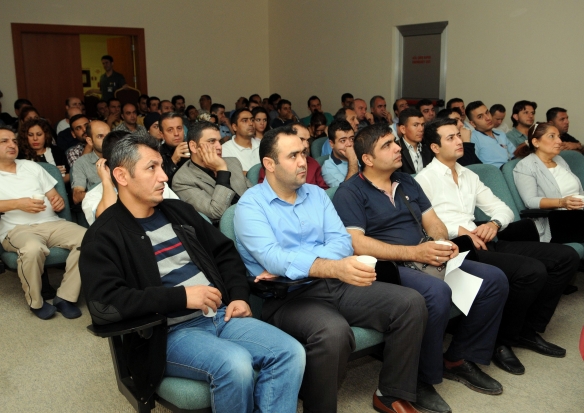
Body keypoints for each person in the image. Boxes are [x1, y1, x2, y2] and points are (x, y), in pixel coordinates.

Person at [79, 133, 305, 413]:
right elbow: (104, 305)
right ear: (122, 176)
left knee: (290, 352)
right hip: (168, 333)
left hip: (220, 314)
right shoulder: (103, 235)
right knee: (235, 365)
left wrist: (238, 296)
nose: (164, 177)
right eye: (152, 168)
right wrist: (180, 297)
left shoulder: (178, 211)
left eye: (162, 166)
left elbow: (225, 253)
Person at [235, 124, 426, 413]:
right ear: (269, 164)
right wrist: (318, 264)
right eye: (292, 156)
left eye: (303, 153)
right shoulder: (250, 206)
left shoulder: (316, 194)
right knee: (333, 332)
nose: (303, 162)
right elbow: (273, 259)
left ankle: (390, 394)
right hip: (287, 296)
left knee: (410, 303)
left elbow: (342, 243)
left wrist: (299, 262)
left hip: (334, 282)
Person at [333, 122, 509, 413]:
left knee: (494, 280)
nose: (397, 148)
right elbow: (357, 244)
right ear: (367, 159)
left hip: (424, 258)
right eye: (387, 145)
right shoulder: (350, 192)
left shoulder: (407, 181)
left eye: (395, 142)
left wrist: (442, 244)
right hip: (388, 267)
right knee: (436, 292)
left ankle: (459, 357)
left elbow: (433, 222)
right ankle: (420, 378)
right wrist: (415, 252)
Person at [416, 117, 580, 375]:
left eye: (458, 135)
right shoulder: (424, 179)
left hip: (483, 239)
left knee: (566, 256)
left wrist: (494, 223)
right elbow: (422, 222)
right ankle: (502, 340)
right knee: (531, 271)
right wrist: (457, 230)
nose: (459, 141)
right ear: (435, 147)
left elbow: (502, 209)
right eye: (451, 138)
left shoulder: (468, 174)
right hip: (456, 247)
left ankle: (526, 328)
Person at [0, 126, 86, 320]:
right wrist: (17, 204)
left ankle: (65, 297)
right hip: (16, 230)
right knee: (32, 248)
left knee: (89, 239)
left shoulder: (31, 167)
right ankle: (36, 302)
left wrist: (57, 201)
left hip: (52, 223)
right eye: (4, 141)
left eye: (14, 141)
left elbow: (54, 196)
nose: (12, 145)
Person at [81, 131, 178, 225]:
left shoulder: (157, 184)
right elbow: (110, 223)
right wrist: (106, 181)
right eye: (151, 167)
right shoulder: (92, 197)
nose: (164, 178)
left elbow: (178, 213)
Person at [513, 122, 584, 242]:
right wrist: (562, 202)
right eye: (552, 136)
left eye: (559, 136)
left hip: (578, 215)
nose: (559, 141)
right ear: (536, 142)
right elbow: (530, 201)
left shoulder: (559, 160)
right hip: (558, 222)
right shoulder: (525, 166)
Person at [172, 121, 252, 222]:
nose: (219, 146)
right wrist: (222, 171)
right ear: (193, 146)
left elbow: (254, 194)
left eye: (219, 141)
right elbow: (216, 213)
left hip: (253, 215)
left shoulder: (232, 162)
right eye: (211, 141)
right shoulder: (182, 180)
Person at [257, 122, 329, 190]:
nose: (306, 145)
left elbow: (324, 190)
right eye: (301, 139)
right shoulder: (273, 167)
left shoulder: (313, 163)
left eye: (307, 140)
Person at [17, 118, 69, 183]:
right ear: (25, 137)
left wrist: (57, 177)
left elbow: (68, 175)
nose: (35, 138)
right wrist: (53, 173)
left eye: (39, 134)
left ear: (46, 135)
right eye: (30, 135)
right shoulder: (20, 155)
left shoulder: (57, 151)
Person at [467, 101, 516, 168]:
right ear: (473, 123)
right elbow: (475, 166)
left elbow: (515, 155)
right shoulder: (473, 137)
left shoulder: (501, 134)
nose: (487, 118)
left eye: (487, 112)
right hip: (492, 172)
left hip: (509, 169)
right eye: (480, 117)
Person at [72, 120, 111, 204]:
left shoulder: (123, 155)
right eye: (100, 136)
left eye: (109, 136)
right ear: (90, 141)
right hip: (102, 205)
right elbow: (77, 196)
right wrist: (103, 194)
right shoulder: (82, 163)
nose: (106, 140)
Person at [321, 119, 358, 188]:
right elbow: (348, 190)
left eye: (352, 139)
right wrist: (352, 159)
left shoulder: (360, 152)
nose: (349, 144)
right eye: (343, 140)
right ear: (332, 144)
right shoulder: (328, 167)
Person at [398, 108, 433, 174]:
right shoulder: (396, 149)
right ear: (403, 129)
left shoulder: (428, 147)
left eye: (422, 125)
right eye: (415, 125)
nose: (421, 129)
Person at [159, 112, 189, 183]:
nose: (176, 133)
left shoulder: (192, 148)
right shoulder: (157, 154)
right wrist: (173, 160)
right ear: (162, 134)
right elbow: (160, 182)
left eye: (179, 128)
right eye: (170, 130)